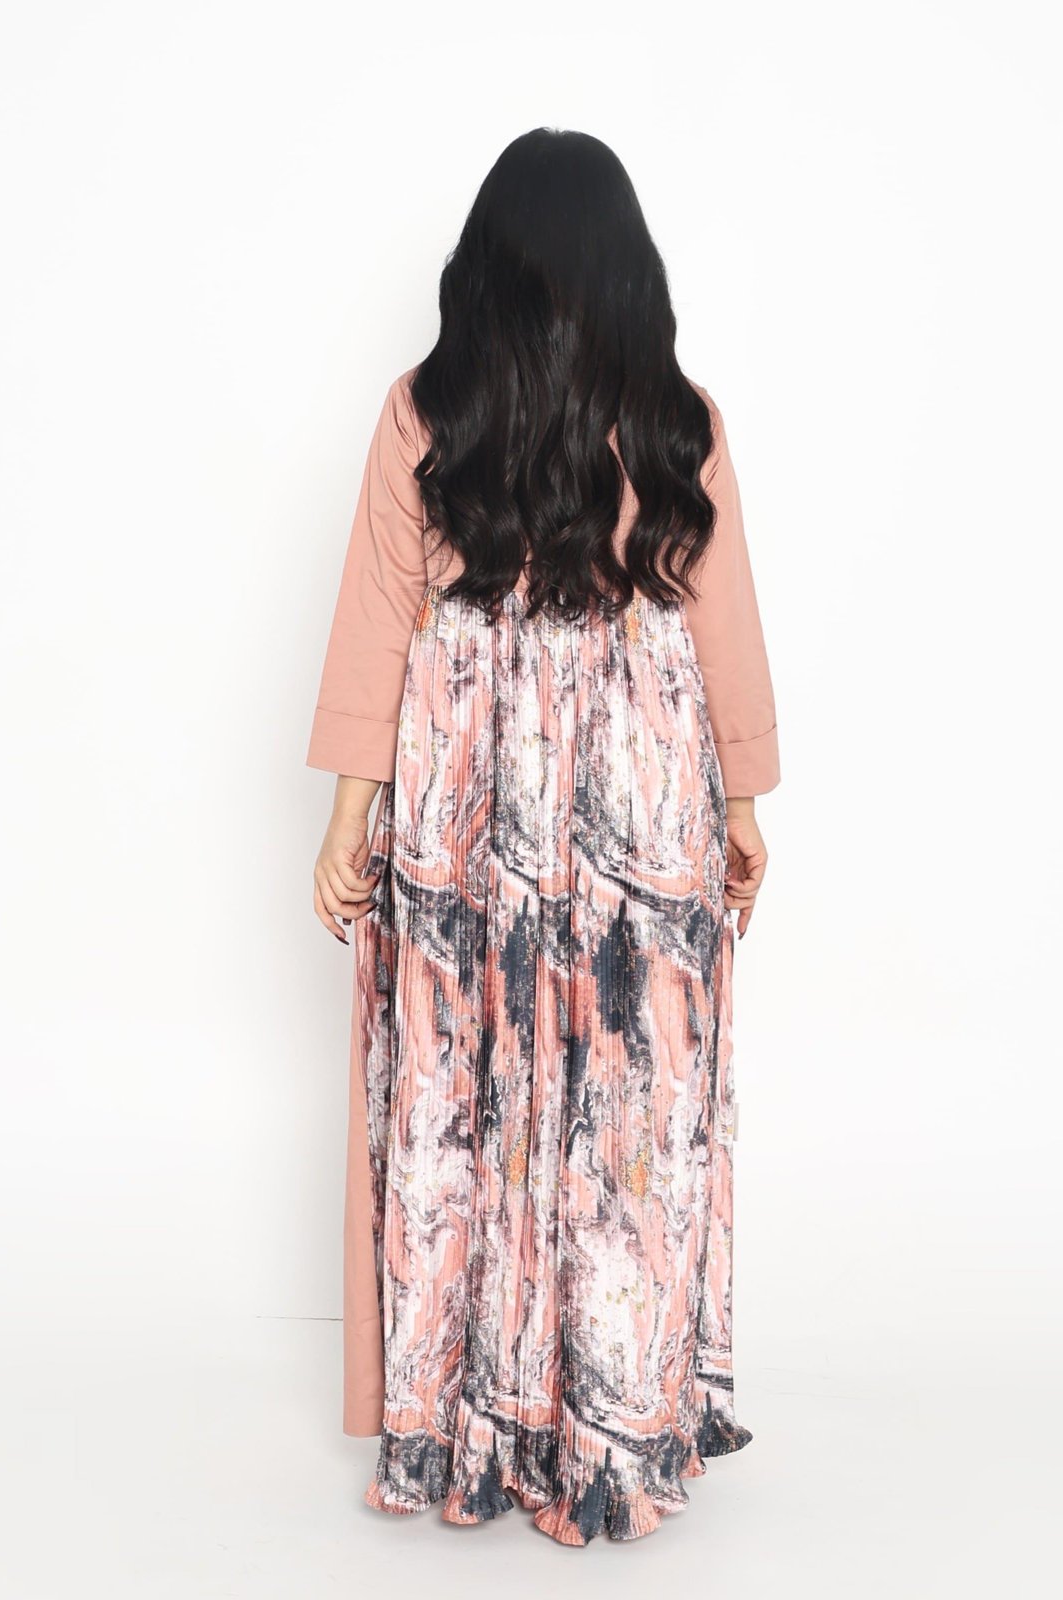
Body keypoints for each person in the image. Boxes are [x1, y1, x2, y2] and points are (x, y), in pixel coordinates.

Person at [304, 128, 779, 1545]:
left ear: (482, 270)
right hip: (643, 792)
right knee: (630, 1096)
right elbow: (722, 614)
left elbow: (380, 618)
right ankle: (615, 1432)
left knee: (462, 1095)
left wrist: (349, 818)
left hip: (468, 789)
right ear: (633, 270)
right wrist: (740, 804)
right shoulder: (678, 420)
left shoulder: (427, 414)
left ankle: (470, 1421)